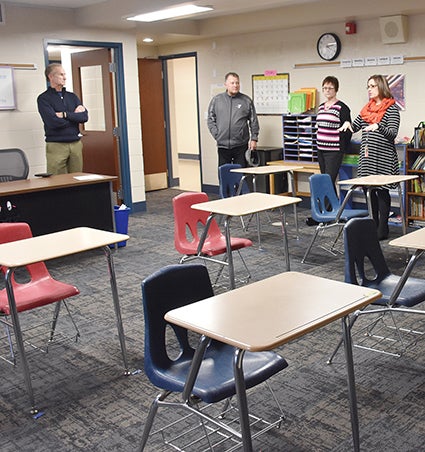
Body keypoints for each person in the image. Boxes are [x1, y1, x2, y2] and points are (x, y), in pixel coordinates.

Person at [340, 74, 400, 240]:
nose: (369, 89)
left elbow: (392, 133)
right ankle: (372, 224)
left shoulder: (391, 108)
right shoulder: (367, 108)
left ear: (381, 86)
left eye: (372, 86)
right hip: (368, 157)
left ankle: (383, 227)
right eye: (368, 86)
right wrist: (348, 125)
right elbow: (355, 126)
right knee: (369, 191)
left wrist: (378, 126)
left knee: (381, 191)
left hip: (384, 157)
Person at [37, 63, 88, 174]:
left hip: (76, 144)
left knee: (77, 178)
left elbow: (84, 117)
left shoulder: (72, 97)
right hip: (56, 145)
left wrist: (65, 115)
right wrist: (74, 117)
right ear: (51, 77)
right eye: (61, 74)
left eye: (64, 74)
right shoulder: (44, 99)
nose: (65, 77)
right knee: (57, 181)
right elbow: (53, 123)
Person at [207, 72, 259, 167]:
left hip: (240, 145)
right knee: (224, 174)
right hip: (223, 146)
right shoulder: (217, 100)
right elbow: (210, 119)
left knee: (240, 176)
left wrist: (254, 139)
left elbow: (253, 121)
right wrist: (217, 135)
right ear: (226, 84)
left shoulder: (246, 101)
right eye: (232, 83)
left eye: (237, 83)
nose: (235, 85)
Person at [316, 76, 352, 189]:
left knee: (328, 180)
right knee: (324, 180)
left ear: (336, 90)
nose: (327, 90)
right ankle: (332, 205)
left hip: (334, 150)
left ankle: (329, 207)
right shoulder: (321, 107)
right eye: (325, 88)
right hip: (321, 148)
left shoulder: (342, 107)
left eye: (330, 88)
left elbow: (348, 130)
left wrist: (342, 147)